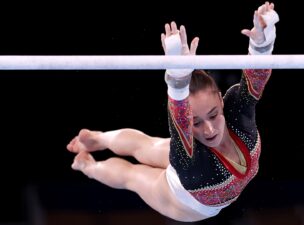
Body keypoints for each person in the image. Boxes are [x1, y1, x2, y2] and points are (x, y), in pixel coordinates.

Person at [67, 1, 279, 222]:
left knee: (146, 147)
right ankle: (90, 164)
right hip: (180, 196)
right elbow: (178, 114)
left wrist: (262, 44)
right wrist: (177, 79)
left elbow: (256, 78)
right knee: (132, 174)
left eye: (213, 115)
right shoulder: (188, 158)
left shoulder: (238, 114)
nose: (208, 129)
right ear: (186, 123)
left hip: (190, 173)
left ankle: (96, 146)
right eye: (195, 122)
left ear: (220, 99)